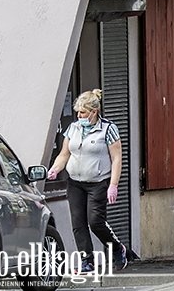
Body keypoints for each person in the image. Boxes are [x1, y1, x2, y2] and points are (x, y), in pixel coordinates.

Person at [47, 89, 127, 272]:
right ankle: (87, 260)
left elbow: (116, 158)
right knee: (78, 223)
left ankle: (116, 248)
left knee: (95, 221)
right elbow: (64, 154)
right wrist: (55, 169)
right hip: (75, 182)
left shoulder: (108, 129)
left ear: (94, 111)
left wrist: (113, 185)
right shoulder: (73, 128)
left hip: (98, 182)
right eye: (78, 112)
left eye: (83, 112)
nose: (79, 115)